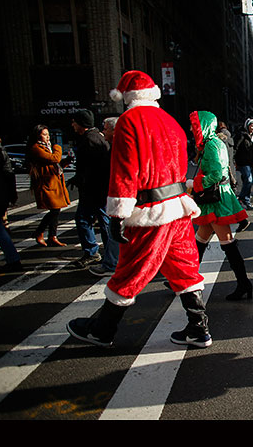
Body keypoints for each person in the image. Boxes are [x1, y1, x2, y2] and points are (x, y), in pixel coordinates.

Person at [66, 70, 209, 348]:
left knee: (130, 271)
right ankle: (198, 327)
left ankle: (102, 330)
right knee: (184, 268)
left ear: (126, 97)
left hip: (148, 212)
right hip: (177, 208)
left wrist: (117, 214)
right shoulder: (171, 122)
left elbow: (124, 171)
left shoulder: (129, 122)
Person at [188, 110, 253, 301]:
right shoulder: (216, 142)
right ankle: (185, 278)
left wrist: (195, 184)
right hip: (216, 199)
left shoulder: (211, 145)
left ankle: (244, 283)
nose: (192, 129)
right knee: (200, 241)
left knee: (227, 243)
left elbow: (217, 174)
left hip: (215, 200)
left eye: (195, 125)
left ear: (204, 126)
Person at [67, 109, 112, 269]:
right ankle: (107, 253)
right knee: (102, 220)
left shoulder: (89, 140)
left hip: (94, 190)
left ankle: (97, 252)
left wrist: (80, 179)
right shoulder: (96, 138)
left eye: (74, 122)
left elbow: (92, 169)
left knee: (85, 219)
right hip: (98, 189)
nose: (72, 125)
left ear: (81, 123)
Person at [25, 124, 71, 247]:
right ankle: (40, 232)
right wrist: (58, 146)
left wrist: (66, 161)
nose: (47, 137)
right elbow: (54, 158)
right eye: (44, 134)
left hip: (54, 182)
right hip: (46, 184)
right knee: (54, 209)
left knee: (56, 210)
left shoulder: (47, 147)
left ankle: (52, 236)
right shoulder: (36, 148)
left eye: (48, 134)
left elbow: (55, 164)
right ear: (37, 135)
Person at [89, 117, 121, 277]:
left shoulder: (121, 146)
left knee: (115, 229)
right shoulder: (115, 145)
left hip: (123, 197)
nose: (103, 131)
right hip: (122, 196)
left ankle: (112, 263)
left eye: (106, 128)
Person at [0, 119, 21, 273]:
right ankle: (13, 259)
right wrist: (11, 195)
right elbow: (9, 174)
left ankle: (13, 259)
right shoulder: (0, 147)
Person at [234, 118, 253, 210]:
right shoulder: (241, 136)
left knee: (248, 182)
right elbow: (235, 148)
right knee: (249, 180)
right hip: (243, 162)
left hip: (251, 163)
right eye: (251, 126)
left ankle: (247, 201)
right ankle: (242, 198)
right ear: (247, 126)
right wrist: (233, 161)